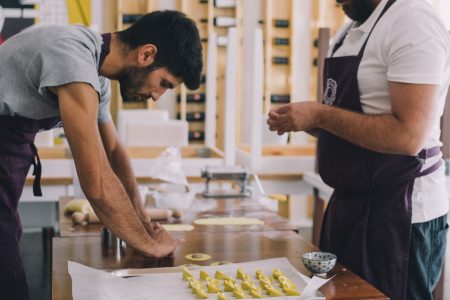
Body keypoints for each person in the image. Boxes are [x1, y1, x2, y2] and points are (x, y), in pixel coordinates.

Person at [0, 10, 202, 300]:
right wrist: (149, 245)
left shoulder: (95, 72)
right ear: (146, 55)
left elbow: (114, 152)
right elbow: (95, 180)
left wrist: (141, 218)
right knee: (8, 283)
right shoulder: (72, 57)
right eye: (164, 84)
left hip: (8, 154)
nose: (158, 96)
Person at [268, 0, 449, 299]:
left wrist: (320, 115)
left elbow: (408, 135)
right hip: (350, 208)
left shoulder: (413, 21)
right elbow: (355, 121)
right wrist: (304, 121)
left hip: (398, 214)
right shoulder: (351, 29)